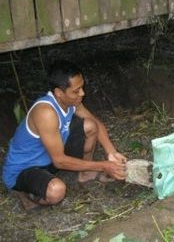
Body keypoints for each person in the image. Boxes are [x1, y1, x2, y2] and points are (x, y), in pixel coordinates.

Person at [2, 60, 127, 210]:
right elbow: (60, 161)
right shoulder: (45, 113)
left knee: (90, 126)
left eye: (81, 88)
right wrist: (104, 166)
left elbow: (96, 123)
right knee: (56, 191)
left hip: (50, 159)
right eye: (76, 91)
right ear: (59, 93)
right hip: (25, 169)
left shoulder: (73, 102)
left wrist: (111, 153)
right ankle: (26, 196)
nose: (82, 93)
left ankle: (85, 173)